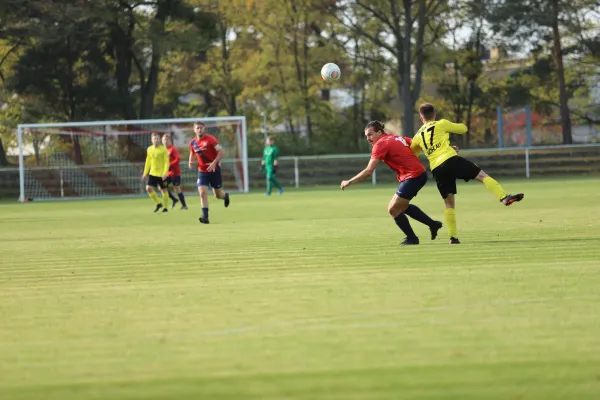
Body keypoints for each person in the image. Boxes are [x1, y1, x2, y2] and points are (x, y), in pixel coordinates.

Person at [410, 103, 524, 244]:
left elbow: (414, 152)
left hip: (437, 168)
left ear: (421, 118)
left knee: (449, 203)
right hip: (450, 159)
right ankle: (504, 197)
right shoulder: (441, 124)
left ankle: (453, 237)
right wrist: (447, 137)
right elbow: (463, 129)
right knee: (482, 176)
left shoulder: (417, 136)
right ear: (434, 114)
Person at [341, 121, 443, 246]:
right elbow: (421, 144)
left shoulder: (380, 144)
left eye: (370, 134)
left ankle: (412, 238)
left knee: (393, 209)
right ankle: (433, 224)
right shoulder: (396, 138)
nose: (368, 138)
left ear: (379, 132)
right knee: (402, 206)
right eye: (366, 136)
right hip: (416, 175)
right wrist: (443, 150)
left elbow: (369, 171)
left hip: (414, 176)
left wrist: (349, 182)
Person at [188, 121, 230, 224]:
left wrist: (214, 163)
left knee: (218, 195)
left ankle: (225, 196)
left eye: (201, 127)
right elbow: (192, 152)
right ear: (194, 129)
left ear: (204, 128)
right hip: (202, 171)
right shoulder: (193, 142)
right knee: (202, 193)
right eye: (197, 128)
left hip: (214, 170)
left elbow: (221, 152)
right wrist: (191, 161)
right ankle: (205, 217)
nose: (199, 129)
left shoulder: (211, 139)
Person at [142, 132, 170, 213]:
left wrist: (165, 173)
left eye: (158, 139)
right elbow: (148, 161)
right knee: (148, 188)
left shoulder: (163, 149)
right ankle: (158, 203)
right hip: (153, 173)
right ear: (152, 140)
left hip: (162, 174)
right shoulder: (149, 149)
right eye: (155, 139)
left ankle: (165, 207)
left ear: (160, 140)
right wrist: (145, 173)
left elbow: (166, 162)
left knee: (163, 190)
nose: (156, 140)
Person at [161, 134, 188, 210]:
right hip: (167, 174)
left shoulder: (173, 149)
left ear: (170, 141)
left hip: (175, 173)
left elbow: (178, 159)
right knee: (162, 187)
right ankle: (174, 199)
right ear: (162, 141)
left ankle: (184, 205)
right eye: (164, 140)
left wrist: (170, 164)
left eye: (167, 140)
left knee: (176, 188)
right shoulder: (162, 150)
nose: (165, 141)